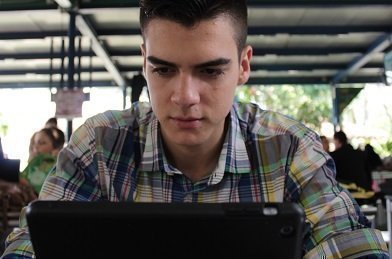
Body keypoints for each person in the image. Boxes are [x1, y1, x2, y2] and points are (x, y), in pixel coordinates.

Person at [1, 1, 388, 258]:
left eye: (210, 70)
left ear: (243, 65)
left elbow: (352, 248)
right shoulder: (99, 146)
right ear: (144, 61)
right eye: (164, 69)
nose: (185, 96)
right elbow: (28, 248)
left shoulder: (288, 149)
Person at [20, 128, 65, 195]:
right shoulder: (35, 162)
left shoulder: (55, 164)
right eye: (34, 143)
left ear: (55, 147)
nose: (36, 146)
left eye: (42, 143)